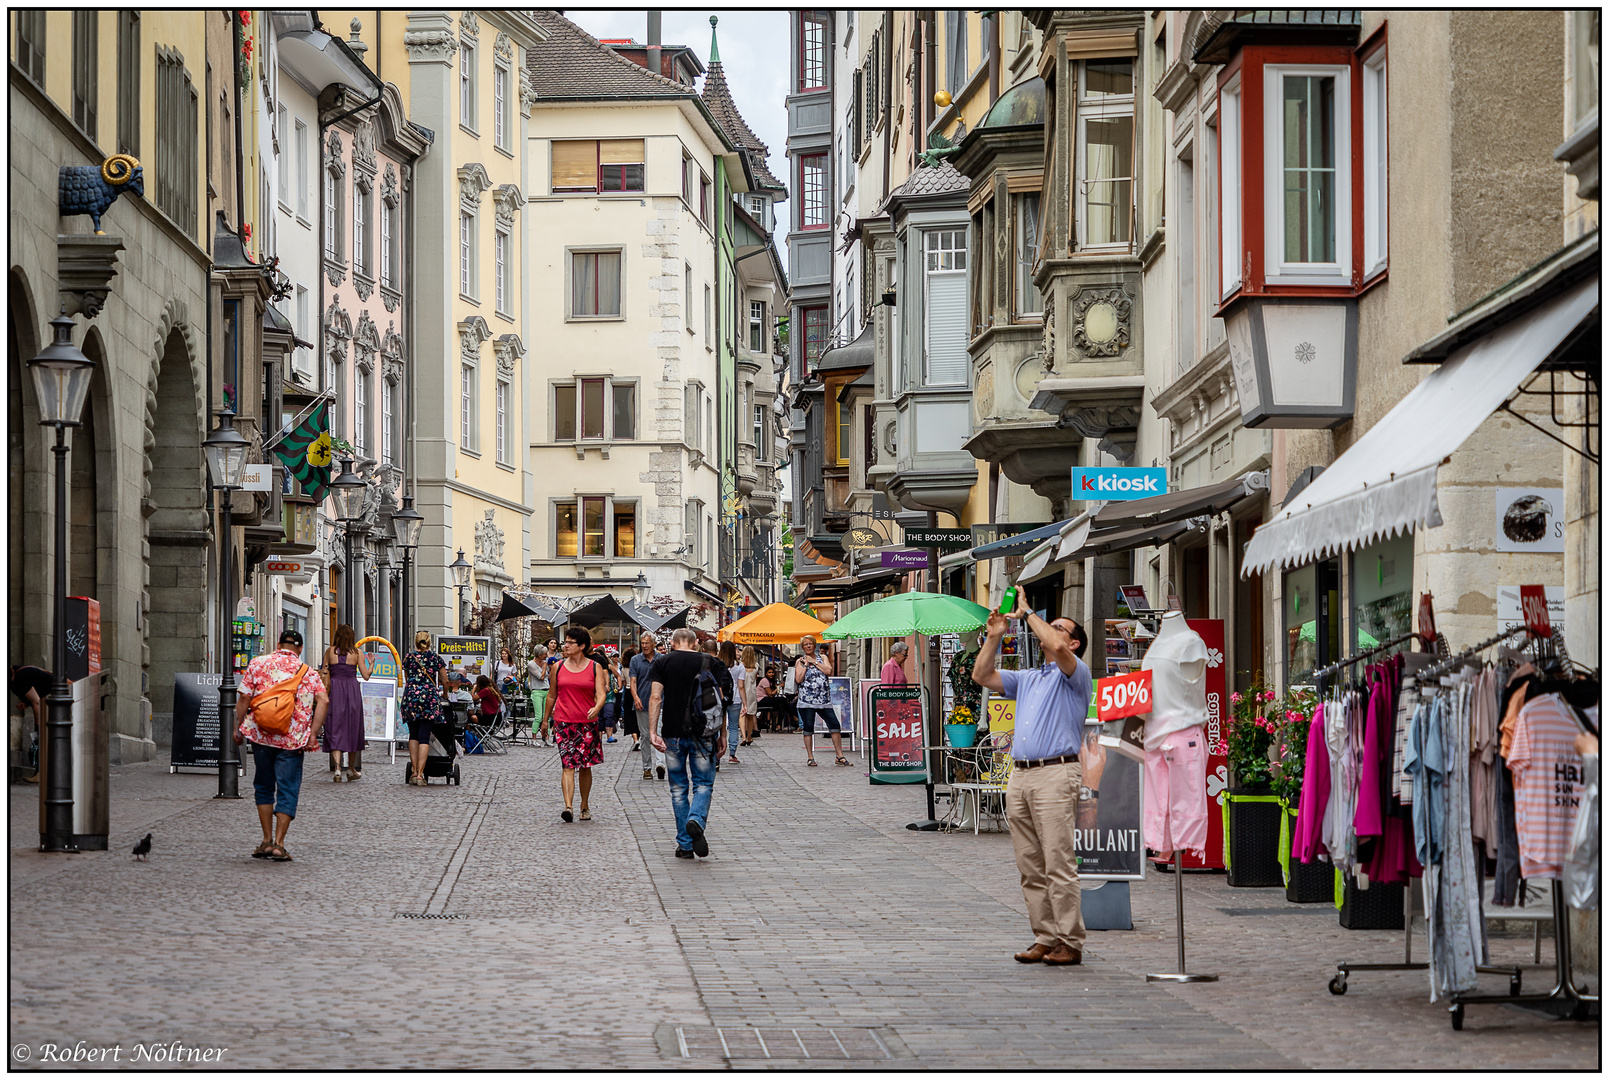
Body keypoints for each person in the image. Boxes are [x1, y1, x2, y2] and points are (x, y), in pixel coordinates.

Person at [971, 601, 1094, 967]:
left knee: (1058, 861)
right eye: (1050, 625)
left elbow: (1054, 646)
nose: (1052, 632)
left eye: (1061, 628)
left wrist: (1027, 614)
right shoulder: (1029, 677)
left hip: (1056, 772)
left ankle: (1070, 941)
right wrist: (993, 637)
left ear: (1073, 644)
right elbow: (982, 675)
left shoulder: (1075, 673)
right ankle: (1045, 936)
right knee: (1030, 864)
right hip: (1021, 773)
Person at [234, 629, 328, 861]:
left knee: (263, 786)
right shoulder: (308, 673)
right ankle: (279, 843)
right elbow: (323, 700)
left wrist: (238, 727)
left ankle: (265, 841)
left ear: (278, 644)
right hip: (292, 740)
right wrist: (313, 734)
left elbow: (244, 698)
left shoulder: (258, 663)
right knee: (287, 787)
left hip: (261, 735)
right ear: (300, 648)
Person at [647, 628, 727, 859]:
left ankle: (685, 844)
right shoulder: (710, 662)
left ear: (672, 643)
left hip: (672, 732)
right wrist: (722, 734)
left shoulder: (663, 663)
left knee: (678, 790)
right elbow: (721, 700)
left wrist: (653, 732)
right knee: (703, 784)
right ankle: (696, 820)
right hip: (704, 733)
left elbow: (655, 697)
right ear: (695, 644)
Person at [544, 626, 606, 821]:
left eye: (570, 642)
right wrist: (545, 720)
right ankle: (568, 807)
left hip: (587, 722)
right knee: (568, 765)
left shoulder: (594, 667)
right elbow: (552, 695)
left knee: (585, 765)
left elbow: (602, 693)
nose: (565, 645)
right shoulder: (558, 667)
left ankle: (584, 805)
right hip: (564, 722)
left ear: (582, 646)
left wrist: (597, 707)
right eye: (566, 642)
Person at [320, 623, 371, 782]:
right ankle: (350, 768)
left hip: (335, 690)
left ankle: (336, 768)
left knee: (335, 725)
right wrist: (372, 664)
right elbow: (366, 676)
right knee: (352, 727)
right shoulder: (357, 653)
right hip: (351, 690)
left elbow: (323, 671)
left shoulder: (330, 651)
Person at [401, 631, 449, 786]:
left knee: (413, 735)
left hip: (411, 698)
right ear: (429, 642)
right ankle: (421, 774)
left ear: (415, 642)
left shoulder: (409, 657)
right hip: (428, 698)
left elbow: (408, 678)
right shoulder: (435, 658)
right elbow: (445, 680)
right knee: (424, 736)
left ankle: (414, 772)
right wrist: (445, 694)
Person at [795, 636, 847, 767]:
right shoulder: (799, 662)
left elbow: (829, 671)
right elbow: (798, 680)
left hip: (824, 700)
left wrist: (815, 662)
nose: (808, 646)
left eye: (810, 644)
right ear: (803, 647)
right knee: (808, 729)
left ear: (814, 645)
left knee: (834, 725)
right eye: (805, 644)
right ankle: (810, 757)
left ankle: (839, 756)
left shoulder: (822, 658)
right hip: (807, 701)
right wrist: (806, 665)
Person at [630, 632, 665, 781]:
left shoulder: (662, 659)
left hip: (660, 703)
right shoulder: (635, 660)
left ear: (653, 644)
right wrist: (636, 697)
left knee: (659, 733)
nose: (644, 646)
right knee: (644, 736)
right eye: (642, 643)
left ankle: (660, 765)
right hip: (642, 703)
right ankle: (647, 768)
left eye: (647, 643)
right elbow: (633, 682)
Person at [10, 664, 51, 783]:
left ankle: (40, 773)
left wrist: (38, 726)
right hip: (49, 699)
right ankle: (40, 772)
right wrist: (26, 702)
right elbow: (34, 692)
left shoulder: (21, 677)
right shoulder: (18, 673)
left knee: (40, 739)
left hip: (54, 700)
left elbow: (37, 702)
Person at [701, 641, 735, 772]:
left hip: (704, 704)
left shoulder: (701, 664)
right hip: (719, 705)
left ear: (703, 649)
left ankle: (708, 759)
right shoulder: (722, 666)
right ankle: (715, 760)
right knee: (714, 731)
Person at [720, 641, 745, 765]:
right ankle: (732, 754)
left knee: (719, 726)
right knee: (734, 727)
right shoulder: (739, 666)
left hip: (721, 698)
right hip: (735, 699)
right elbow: (741, 686)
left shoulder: (718, 664)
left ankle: (717, 752)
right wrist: (745, 703)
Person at [526, 647, 551, 745]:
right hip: (537, 691)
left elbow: (547, 675)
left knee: (547, 717)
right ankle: (534, 739)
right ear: (539, 655)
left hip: (546, 689)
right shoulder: (531, 664)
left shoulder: (545, 662)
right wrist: (544, 667)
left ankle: (546, 738)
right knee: (538, 716)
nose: (546, 655)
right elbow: (540, 677)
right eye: (545, 654)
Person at [620, 648, 642, 751]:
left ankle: (635, 738)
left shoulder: (624, 669)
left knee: (629, 716)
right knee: (639, 715)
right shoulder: (638, 667)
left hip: (628, 692)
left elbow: (623, 683)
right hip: (638, 692)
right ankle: (639, 736)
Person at [739, 647, 761, 746]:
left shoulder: (739, 665)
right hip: (751, 692)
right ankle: (749, 737)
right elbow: (755, 680)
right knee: (750, 715)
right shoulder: (756, 666)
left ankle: (743, 736)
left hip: (741, 691)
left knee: (742, 715)